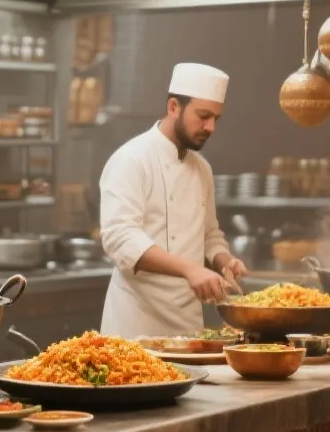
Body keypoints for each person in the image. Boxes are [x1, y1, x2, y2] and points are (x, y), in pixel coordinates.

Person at [97, 63, 248, 339]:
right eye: (203, 116)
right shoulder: (131, 159)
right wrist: (190, 269)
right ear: (174, 107)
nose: (211, 127)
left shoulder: (202, 168)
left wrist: (223, 260)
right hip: (135, 327)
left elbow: (209, 234)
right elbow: (120, 238)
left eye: (216, 118)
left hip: (187, 327)